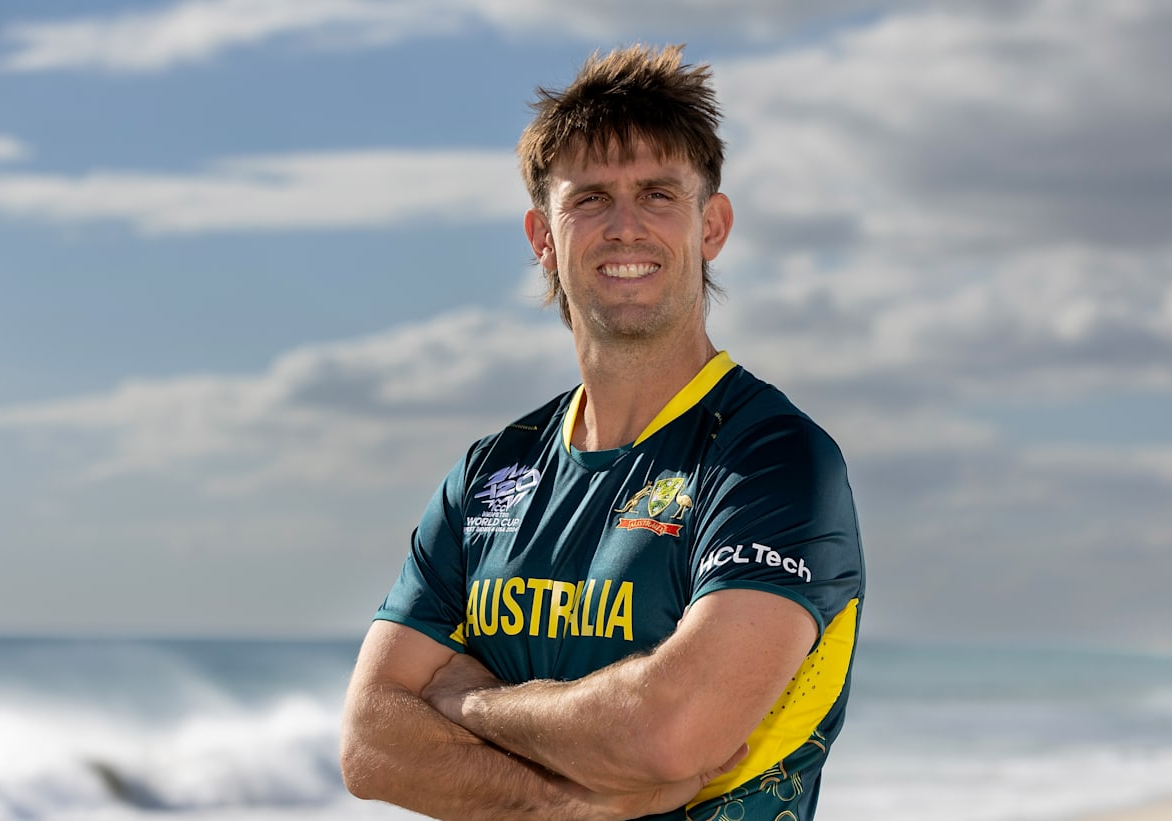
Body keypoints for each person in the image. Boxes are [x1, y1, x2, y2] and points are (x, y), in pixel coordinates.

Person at [340, 43, 865, 821]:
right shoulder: (491, 474)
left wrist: (468, 702)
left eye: (658, 194)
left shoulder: (771, 458)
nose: (625, 227)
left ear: (712, 225)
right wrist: (572, 807)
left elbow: (670, 731)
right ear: (541, 236)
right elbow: (369, 743)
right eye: (589, 198)